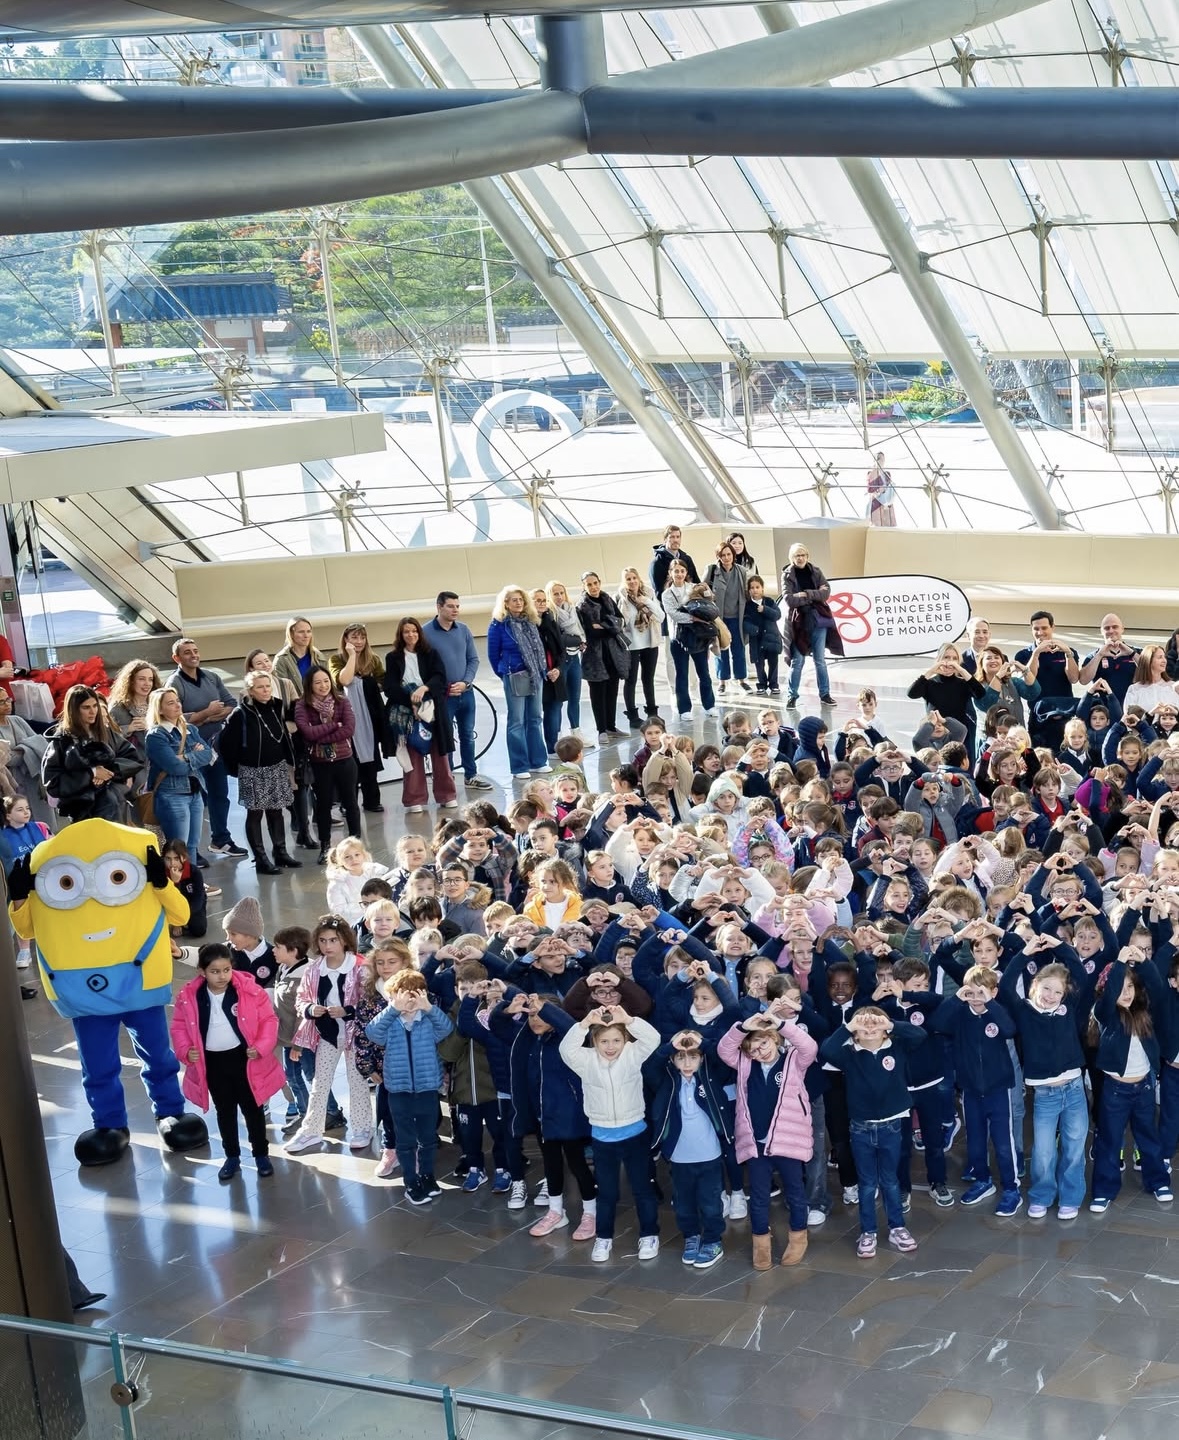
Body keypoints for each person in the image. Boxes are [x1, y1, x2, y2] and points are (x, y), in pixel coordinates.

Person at [170, 943, 285, 1182]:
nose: (222, 976)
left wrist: (261, 1047)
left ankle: (261, 1154)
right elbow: (179, 1027)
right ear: (202, 972)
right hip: (212, 1063)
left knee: (253, 1109)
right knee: (225, 1111)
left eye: (226, 970)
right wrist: (185, 1050)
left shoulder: (249, 991)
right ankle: (231, 1156)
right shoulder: (189, 997)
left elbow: (269, 1020)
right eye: (214, 971)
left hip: (245, 1060)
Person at [558, 1003, 661, 1262]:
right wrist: (583, 1024)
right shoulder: (585, 1060)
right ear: (594, 1041)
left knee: (642, 1188)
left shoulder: (633, 1054)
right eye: (604, 1041)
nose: (611, 1046)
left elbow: (653, 1038)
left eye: (616, 1040)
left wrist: (629, 1020)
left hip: (635, 1134)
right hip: (603, 1137)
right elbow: (566, 1050)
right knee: (607, 1192)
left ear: (625, 1039)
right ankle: (603, 1238)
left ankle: (649, 1234)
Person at [363, 967, 454, 1203]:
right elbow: (372, 1033)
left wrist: (428, 1008)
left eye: (413, 996)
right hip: (398, 1089)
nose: (408, 1002)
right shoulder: (390, 1021)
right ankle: (411, 1181)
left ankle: (427, 1176)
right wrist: (393, 1009)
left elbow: (447, 1028)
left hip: (427, 1088)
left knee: (428, 1137)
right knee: (404, 1140)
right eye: (400, 996)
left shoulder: (429, 1020)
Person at [285, 915, 373, 1154]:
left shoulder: (360, 966)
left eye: (333, 940)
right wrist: (310, 1009)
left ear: (344, 940)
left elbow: (371, 1001)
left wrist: (348, 1010)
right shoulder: (315, 968)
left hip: (356, 1036)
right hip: (327, 1035)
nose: (327, 945)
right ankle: (311, 1130)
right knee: (319, 1083)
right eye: (323, 940)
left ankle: (363, 1128)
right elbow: (302, 999)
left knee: (357, 1082)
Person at [165, 638, 247, 861]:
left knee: (220, 795)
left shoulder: (211, 677)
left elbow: (231, 704)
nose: (193, 655)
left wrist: (205, 717)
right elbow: (174, 717)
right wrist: (207, 713)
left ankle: (221, 839)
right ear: (176, 658)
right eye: (187, 652)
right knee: (195, 801)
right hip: (190, 751)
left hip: (214, 748)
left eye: (195, 650)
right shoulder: (174, 683)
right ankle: (191, 851)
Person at [215, 669, 299, 875]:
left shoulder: (276, 707)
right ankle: (261, 859)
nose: (265, 690)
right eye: (260, 687)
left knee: (276, 810)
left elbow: (282, 735)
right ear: (250, 691)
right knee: (255, 814)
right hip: (252, 771)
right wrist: (237, 768)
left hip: (277, 767)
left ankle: (280, 852)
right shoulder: (240, 714)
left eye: (268, 686)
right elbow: (226, 744)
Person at [383, 616, 457, 815]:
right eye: (406, 631)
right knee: (413, 754)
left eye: (414, 631)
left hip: (433, 710)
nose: (411, 635)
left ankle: (447, 795)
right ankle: (414, 798)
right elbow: (390, 687)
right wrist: (411, 701)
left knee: (440, 754)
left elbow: (440, 678)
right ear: (401, 634)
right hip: (406, 713)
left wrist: (424, 689)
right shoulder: (392, 657)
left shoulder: (431, 653)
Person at [246, 648, 315, 852]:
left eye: (267, 660)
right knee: (274, 798)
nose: (265, 665)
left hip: (291, 745)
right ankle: (275, 846)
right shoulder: (246, 694)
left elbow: (296, 710)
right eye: (259, 663)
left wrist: (288, 726)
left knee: (299, 787)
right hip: (266, 752)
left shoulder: (285, 684)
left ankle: (304, 831)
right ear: (251, 668)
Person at [42, 685, 141, 824]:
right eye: (86, 707)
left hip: (117, 806)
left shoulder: (106, 732)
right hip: (85, 814)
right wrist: (91, 774)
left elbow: (133, 758)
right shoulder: (61, 741)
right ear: (74, 710)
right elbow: (53, 783)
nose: (93, 711)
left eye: (95, 706)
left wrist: (108, 772)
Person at [294, 665, 361, 864]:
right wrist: (333, 725)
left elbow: (349, 729)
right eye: (318, 682)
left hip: (345, 760)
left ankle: (356, 845)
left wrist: (320, 737)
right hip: (320, 764)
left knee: (351, 803)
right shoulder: (302, 705)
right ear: (309, 685)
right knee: (323, 805)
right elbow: (307, 732)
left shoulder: (342, 701)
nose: (323, 686)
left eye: (326, 681)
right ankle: (325, 847)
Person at [424, 593, 491, 790]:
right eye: (450, 606)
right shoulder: (425, 633)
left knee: (467, 735)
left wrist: (465, 682)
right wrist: (442, 686)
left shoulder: (463, 630)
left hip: (466, 693)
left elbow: (473, 659)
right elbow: (424, 667)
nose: (455, 610)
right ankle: (448, 778)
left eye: (457, 606)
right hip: (443, 696)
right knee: (446, 738)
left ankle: (471, 775)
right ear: (439, 607)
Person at [487, 586, 551, 779]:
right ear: (505, 603)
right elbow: (493, 655)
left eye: (521, 599)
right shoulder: (499, 625)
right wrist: (505, 673)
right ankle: (519, 766)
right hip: (514, 675)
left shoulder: (530, 621)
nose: (518, 603)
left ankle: (538, 762)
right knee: (516, 722)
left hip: (536, 675)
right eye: (514, 600)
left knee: (535, 718)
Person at [144, 687, 216, 860]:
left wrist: (185, 757)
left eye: (177, 701)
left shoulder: (190, 729)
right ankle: (178, 877)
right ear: (160, 709)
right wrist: (195, 755)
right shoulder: (156, 735)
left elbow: (209, 755)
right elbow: (176, 768)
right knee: (178, 847)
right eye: (171, 703)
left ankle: (191, 876)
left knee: (192, 845)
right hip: (172, 795)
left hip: (195, 793)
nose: (177, 705)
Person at [328, 624, 387, 814]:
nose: (359, 641)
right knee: (349, 762)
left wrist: (368, 688)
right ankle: (348, 803)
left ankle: (372, 801)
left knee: (370, 759)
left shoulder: (373, 659)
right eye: (354, 637)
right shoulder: (336, 660)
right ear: (346, 640)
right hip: (347, 716)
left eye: (362, 637)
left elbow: (383, 681)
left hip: (369, 716)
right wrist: (352, 656)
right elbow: (343, 680)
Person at [782, 542, 841, 708]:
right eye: (797, 555)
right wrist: (815, 596)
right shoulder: (787, 574)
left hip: (818, 620)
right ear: (792, 558)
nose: (800, 558)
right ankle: (792, 696)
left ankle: (825, 694)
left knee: (819, 660)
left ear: (807, 556)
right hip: (798, 623)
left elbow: (826, 592)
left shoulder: (816, 571)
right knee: (797, 661)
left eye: (803, 555)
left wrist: (805, 594)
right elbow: (789, 599)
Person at [1014, 611, 1080, 750]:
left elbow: (1074, 678)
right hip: (1038, 716)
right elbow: (1029, 680)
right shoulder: (1023, 654)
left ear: (1052, 627)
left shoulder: (1067, 651)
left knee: (1065, 756)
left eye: (1044, 628)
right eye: (1036, 629)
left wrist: (1068, 653)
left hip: (1064, 714)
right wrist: (1036, 653)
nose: (1040, 632)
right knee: (1039, 756)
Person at [907, 643, 985, 758]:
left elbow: (980, 693)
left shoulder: (963, 683)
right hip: (934, 736)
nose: (950, 662)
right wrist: (932, 671)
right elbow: (911, 694)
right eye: (946, 657)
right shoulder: (930, 683)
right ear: (939, 659)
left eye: (954, 658)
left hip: (958, 734)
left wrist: (960, 670)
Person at [577, 572, 629, 743]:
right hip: (594, 655)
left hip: (612, 652)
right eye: (589, 584)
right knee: (598, 692)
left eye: (595, 583)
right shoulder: (583, 605)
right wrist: (610, 626)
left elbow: (620, 621)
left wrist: (604, 625)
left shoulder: (607, 598)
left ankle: (611, 726)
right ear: (584, 586)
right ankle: (601, 730)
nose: (593, 587)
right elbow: (591, 631)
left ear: (600, 582)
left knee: (612, 690)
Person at [662, 560, 716, 720]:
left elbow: (709, 603)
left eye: (682, 571)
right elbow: (673, 614)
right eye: (676, 571)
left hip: (697, 635)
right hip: (678, 638)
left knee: (704, 672)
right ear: (670, 573)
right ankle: (684, 709)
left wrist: (707, 592)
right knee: (682, 674)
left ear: (686, 573)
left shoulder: (694, 587)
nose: (679, 574)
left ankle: (709, 705)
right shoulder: (667, 594)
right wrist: (694, 618)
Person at [544, 580, 592, 749]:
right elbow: (559, 639)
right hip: (560, 661)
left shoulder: (572, 610)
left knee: (575, 698)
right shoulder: (550, 614)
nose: (559, 596)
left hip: (574, 658)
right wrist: (576, 640)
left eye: (561, 593)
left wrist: (581, 641)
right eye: (555, 594)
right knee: (558, 701)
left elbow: (580, 631)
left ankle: (576, 732)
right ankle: (556, 736)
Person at [106, 659, 161, 797]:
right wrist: (127, 729)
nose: (147, 684)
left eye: (150, 679)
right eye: (141, 679)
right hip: (135, 769)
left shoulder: (158, 704)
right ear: (130, 681)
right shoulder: (118, 708)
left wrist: (150, 726)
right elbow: (107, 739)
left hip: (160, 764)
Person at [616, 567, 662, 728]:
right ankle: (633, 716)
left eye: (634, 578)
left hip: (650, 643)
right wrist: (625, 602)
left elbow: (660, 617)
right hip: (631, 646)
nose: (632, 581)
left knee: (648, 679)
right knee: (631, 681)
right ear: (624, 582)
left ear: (639, 578)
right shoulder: (620, 597)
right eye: (628, 579)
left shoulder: (648, 593)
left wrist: (646, 601)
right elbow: (622, 622)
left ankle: (652, 712)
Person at [0, 688, 52, 829]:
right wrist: (27, 748)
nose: (7, 704)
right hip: (12, 783)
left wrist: (20, 749)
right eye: (1, 702)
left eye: (8, 699)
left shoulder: (18, 720)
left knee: (44, 824)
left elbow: (40, 744)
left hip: (32, 778)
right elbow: (7, 759)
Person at [704, 542, 750, 695]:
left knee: (739, 649)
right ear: (718, 557)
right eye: (723, 555)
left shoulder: (741, 571)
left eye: (729, 554)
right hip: (719, 619)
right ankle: (722, 681)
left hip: (737, 617)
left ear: (733, 555)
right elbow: (702, 589)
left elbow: (746, 592)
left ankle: (741, 680)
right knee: (721, 649)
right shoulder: (712, 570)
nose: (726, 557)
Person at [532, 588, 569, 756]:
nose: (541, 603)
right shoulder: (528, 625)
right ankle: (538, 750)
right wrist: (544, 671)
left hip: (555, 673)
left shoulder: (550, 621)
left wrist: (557, 669)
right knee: (535, 714)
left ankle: (553, 747)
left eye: (543, 600)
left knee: (554, 708)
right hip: (538, 675)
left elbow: (561, 650)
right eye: (537, 600)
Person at [1079, 613, 1138, 704]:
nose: (1111, 630)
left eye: (1115, 627)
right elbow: (1083, 680)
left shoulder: (1136, 652)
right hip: (1104, 708)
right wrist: (1099, 655)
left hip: (1132, 706)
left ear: (1122, 629)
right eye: (1107, 628)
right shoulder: (1093, 656)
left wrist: (1132, 654)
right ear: (1101, 631)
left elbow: (1151, 671)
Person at [272, 616, 326, 693]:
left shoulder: (318, 656)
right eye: (301, 632)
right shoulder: (282, 659)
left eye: (308, 631)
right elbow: (281, 690)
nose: (306, 635)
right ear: (291, 634)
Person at [1122, 644, 1179, 715]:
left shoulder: (1174, 687)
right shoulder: (1134, 689)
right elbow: (1130, 717)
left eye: (1164, 657)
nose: (1164, 660)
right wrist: (1151, 714)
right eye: (1160, 657)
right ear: (1148, 660)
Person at [866, 451, 897, 527]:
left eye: (883, 459)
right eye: (880, 459)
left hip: (887, 502)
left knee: (888, 524)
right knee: (877, 525)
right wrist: (880, 490)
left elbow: (889, 487)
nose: (882, 461)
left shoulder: (887, 474)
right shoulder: (871, 473)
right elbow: (870, 489)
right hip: (877, 502)